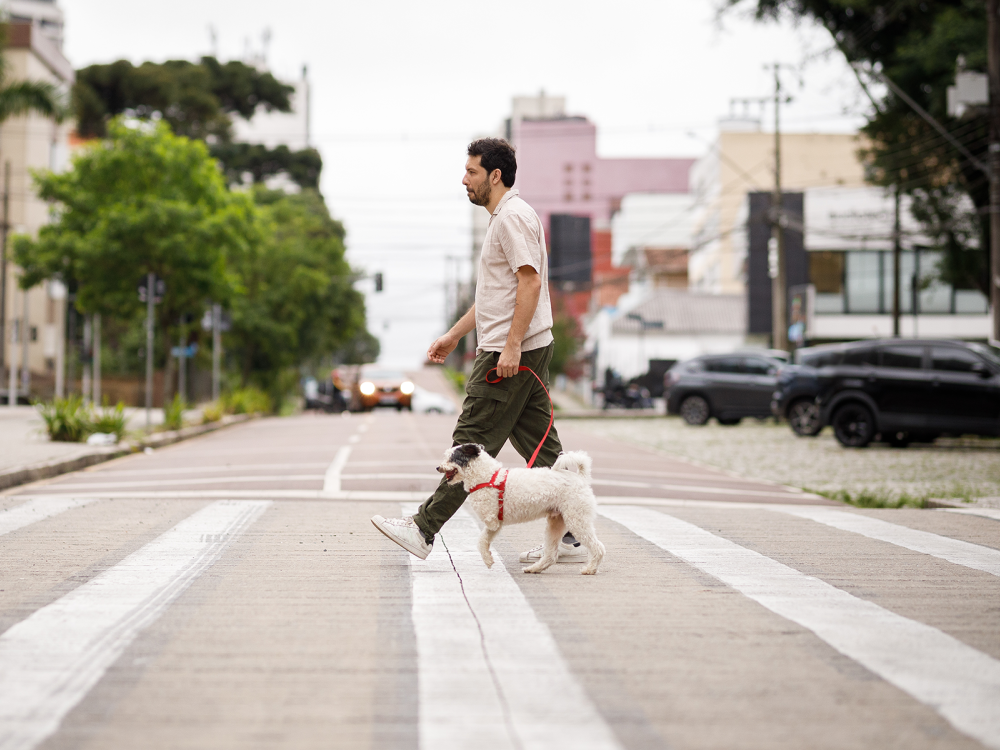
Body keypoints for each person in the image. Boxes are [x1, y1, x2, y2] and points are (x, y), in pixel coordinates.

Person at [371, 137, 586, 564]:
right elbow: (496, 295)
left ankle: (422, 529)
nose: (464, 179)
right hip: (526, 347)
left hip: (510, 354)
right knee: (542, 447)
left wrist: (510, 348)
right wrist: (453, 335)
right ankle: (572, 536)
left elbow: (529, 283)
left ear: (495, 176)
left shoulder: (511, 219)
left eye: (471, 172)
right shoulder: (506, 218)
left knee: (468, 444)